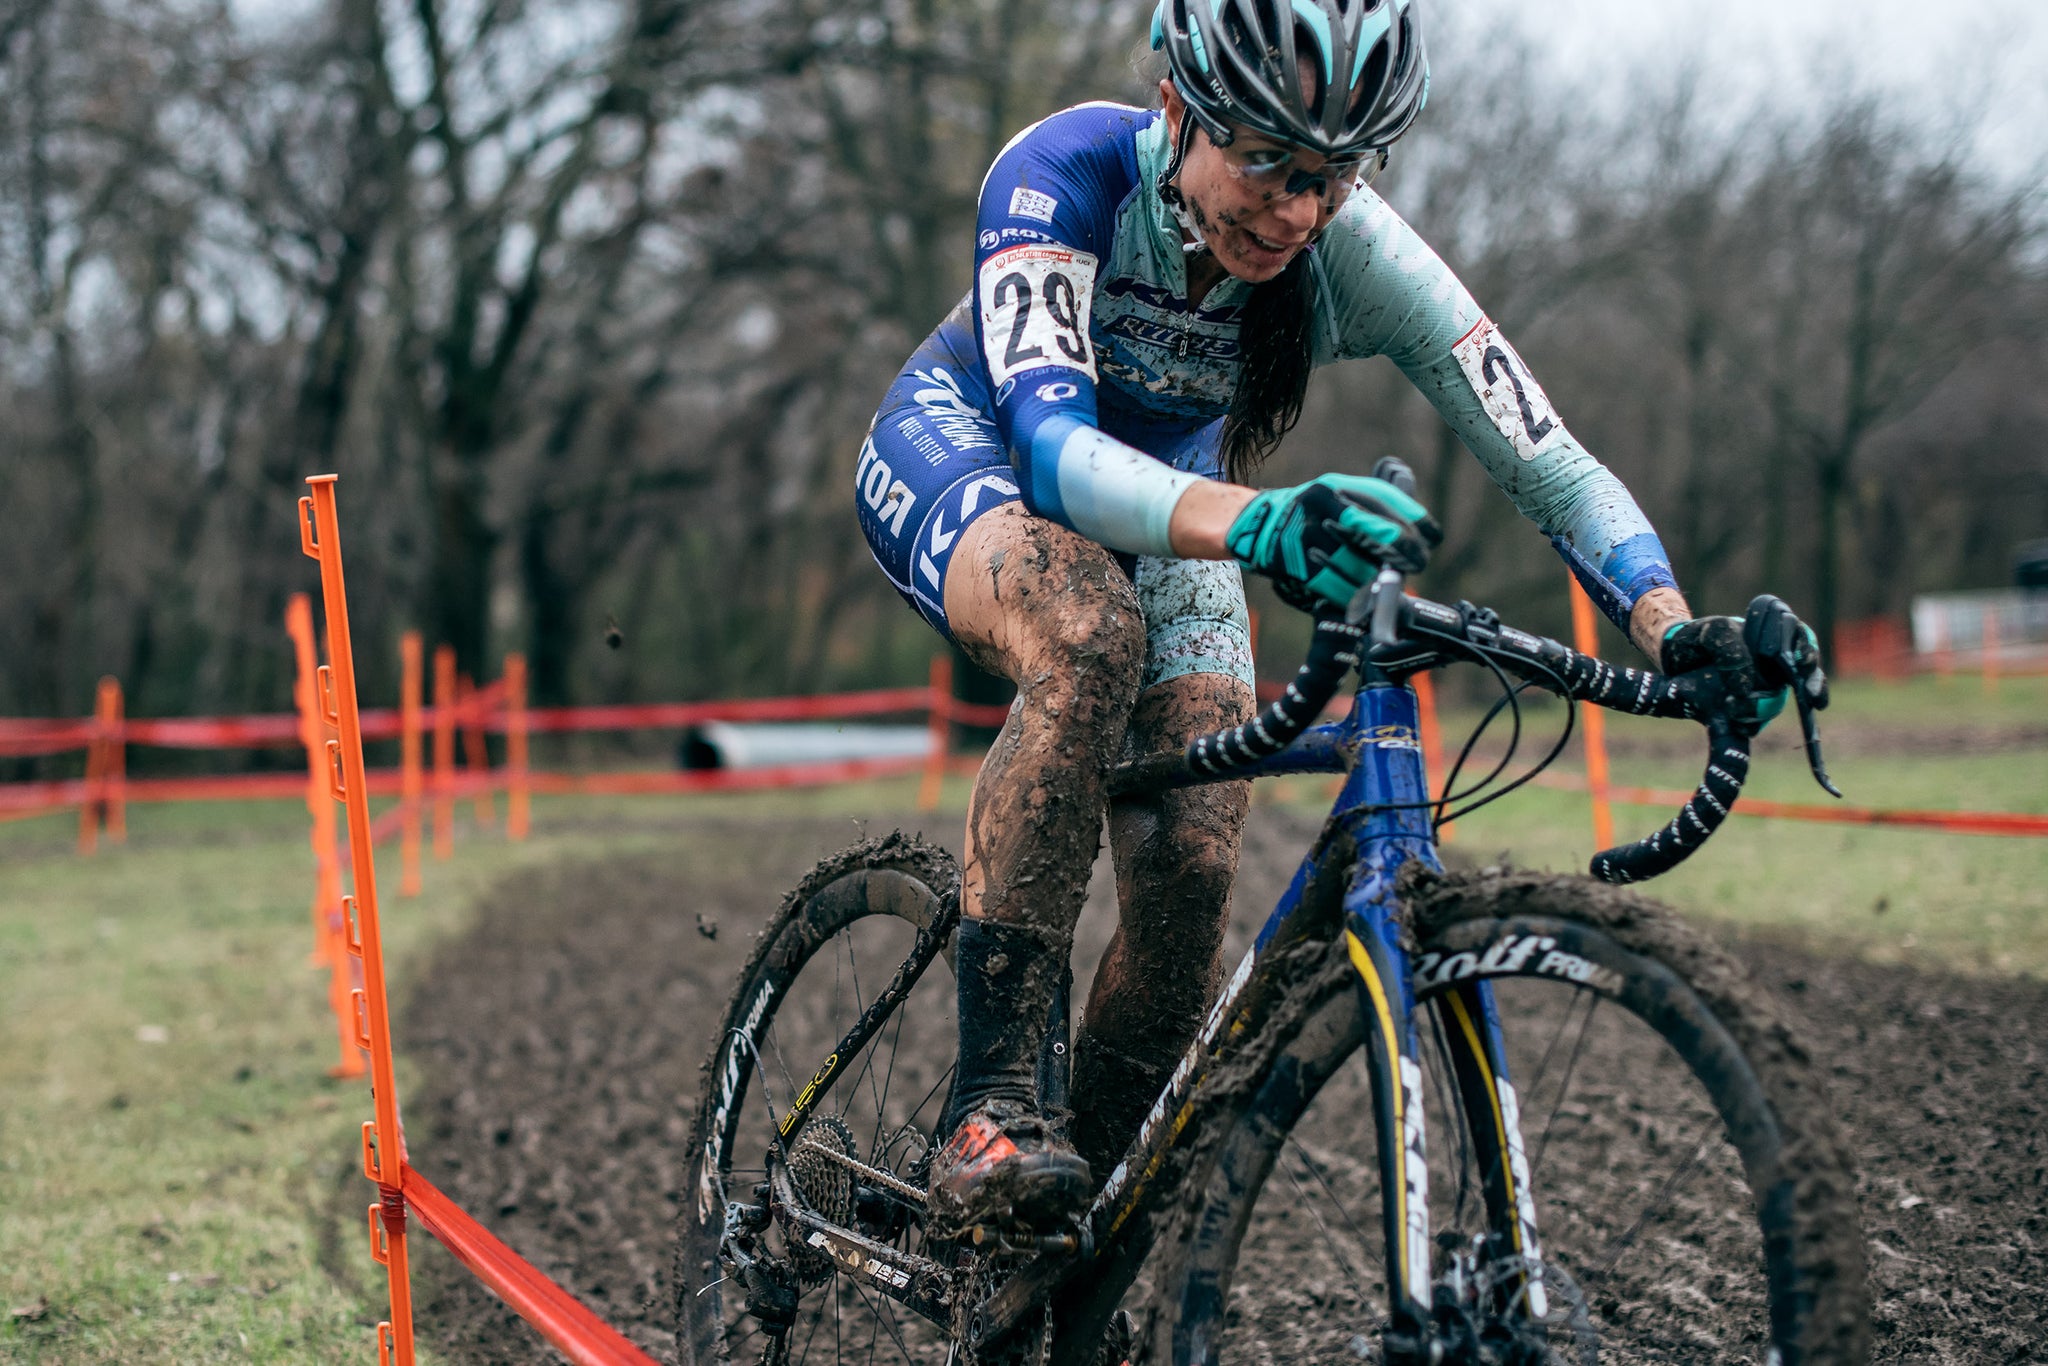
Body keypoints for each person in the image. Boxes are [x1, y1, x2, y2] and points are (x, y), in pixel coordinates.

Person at [855, 0, 1767, 1236]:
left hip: (1172, 513)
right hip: (975, 454)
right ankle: (992, 1105)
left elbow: (1544, 456)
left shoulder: (1351, 251)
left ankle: (1060, 1235)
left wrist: (1672, 626)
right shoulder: (1061, 171)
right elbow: (1056, 455)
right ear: (1178, 107)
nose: (1295, 212)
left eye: (1331, 178)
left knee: (1192, 867)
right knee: (1085, 637)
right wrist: (1257, 520)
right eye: (1267, 164)